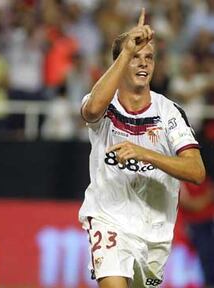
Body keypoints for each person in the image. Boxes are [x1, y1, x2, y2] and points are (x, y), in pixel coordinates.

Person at [78, 8, 206, 288]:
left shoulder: (169, 113)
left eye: (148, 57)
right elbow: (90, 112)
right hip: (108, 218)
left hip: (154, 232)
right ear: (120, 62)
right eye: (135, 57)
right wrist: (125, 52)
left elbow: (196, 171)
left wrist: (144, 153)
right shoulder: (104, 104)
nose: (142, 63)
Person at [179, 178, 214, 288]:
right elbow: (191, 204)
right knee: (204, 256)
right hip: (194, 225)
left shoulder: (204, 178)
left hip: (210, 222)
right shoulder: (180, 181)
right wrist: (208, 196)